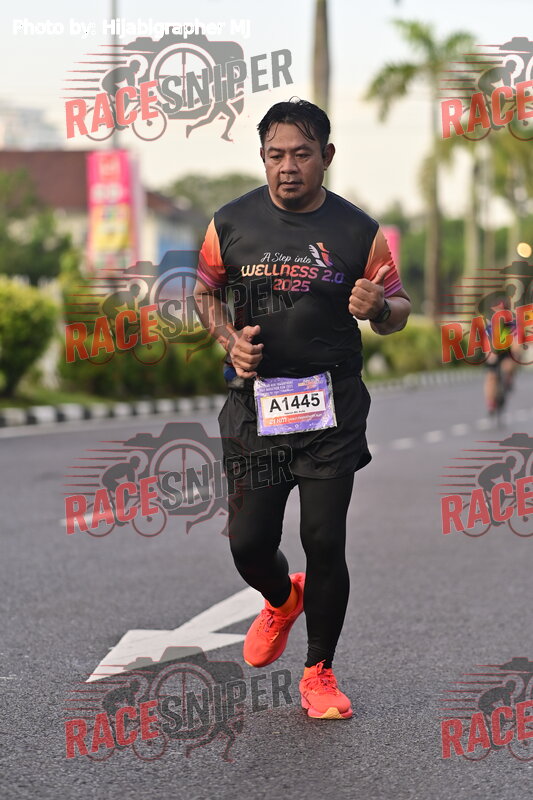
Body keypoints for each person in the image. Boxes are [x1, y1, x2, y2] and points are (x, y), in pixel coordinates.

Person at [194, 99, 411, 719]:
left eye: (301, 154)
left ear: (327, 156)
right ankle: (281, 599)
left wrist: (379, 308)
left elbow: (399, 309)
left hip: (330, 409)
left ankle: (319, 672)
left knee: (324, 538)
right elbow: (205, 294)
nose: (287, 167)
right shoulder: (229, 222)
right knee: (249, 544)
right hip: (254, 410)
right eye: (275, 155)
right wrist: (229, 340)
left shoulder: (358, 231)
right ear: (262, 158)